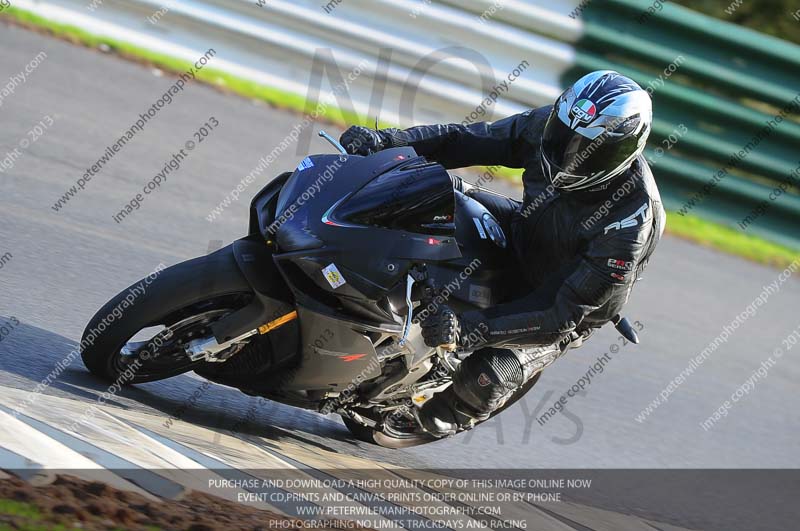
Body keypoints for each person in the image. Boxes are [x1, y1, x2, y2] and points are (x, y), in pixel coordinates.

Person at [339, 70, 665, 437]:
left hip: (562, 297)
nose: (565, 153)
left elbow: (559, 313)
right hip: (524, 228)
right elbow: (465, 140)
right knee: (421, 191)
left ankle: (441, 416)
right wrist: (388, 141)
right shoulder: (547, 127)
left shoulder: (629, 223)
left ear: (622, 152)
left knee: (488, 376)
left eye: (586, 148)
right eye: (564, 136)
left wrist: (464, 332)